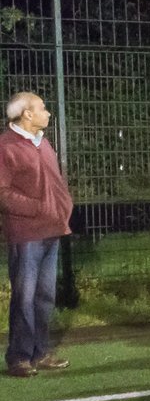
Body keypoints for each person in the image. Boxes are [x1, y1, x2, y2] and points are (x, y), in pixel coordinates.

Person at [0, 92, 73, 377]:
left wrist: (64, 206)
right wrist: (39, 208)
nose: (48, 113)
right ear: (27, 114)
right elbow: (3, 193)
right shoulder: (6, 147)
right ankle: (19, 357)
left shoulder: (43, 143)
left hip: (51, 230)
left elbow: (56, 185)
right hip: (26, 233)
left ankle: (40, 353)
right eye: (42, 108)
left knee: (44, 297)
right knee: (25, 297)